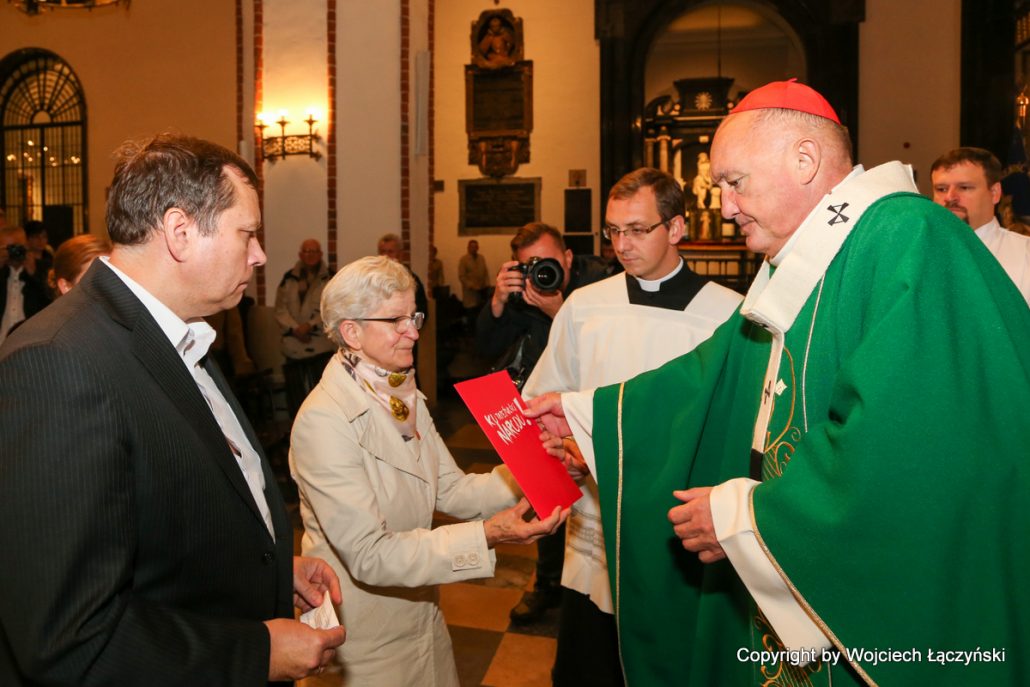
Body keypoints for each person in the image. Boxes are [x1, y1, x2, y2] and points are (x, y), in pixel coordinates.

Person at [526, 80, 1030, 685]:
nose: (726, 207)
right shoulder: (810, 257)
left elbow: (910, 448)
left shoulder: (908, 239)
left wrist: (749, 516)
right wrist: (586, 412)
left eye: (735, 182)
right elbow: (716, 372)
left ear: (805, 160)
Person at [0, 133, 347, 685]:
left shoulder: (178, 332)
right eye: (247, 233)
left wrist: (267, 572)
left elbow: (175, 518)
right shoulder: (58, 363)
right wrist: (255, 652)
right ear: (181, 231)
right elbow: (71, 637)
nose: (259, 254)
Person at [289, 255, 566, 686]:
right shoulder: (325, 420)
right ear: (351, 332)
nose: (414, 332)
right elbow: (370, 555)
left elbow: (450, 489)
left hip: (423, 616)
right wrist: (489, 534)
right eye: (396, 320)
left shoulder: (401, 394)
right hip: (363, 639)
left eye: (414, 316)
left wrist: (541, 468)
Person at [523, 168, 742, 686]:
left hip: (678, 523)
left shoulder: (729, 315)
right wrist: (566, 447)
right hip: (598, 519)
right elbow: (544, 401)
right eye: (613, 231)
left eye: (638, 230)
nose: (622, 245)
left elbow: (733, 425)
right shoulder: (584, 306)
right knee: (590, 664)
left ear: (677, 228)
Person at [476, 222, 607, 624]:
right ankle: (548, 585)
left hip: (585, 412)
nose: (541, 273)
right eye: (530, 266)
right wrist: (498, 301)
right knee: (548, 498)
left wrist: (559, 312)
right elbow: (486, 348)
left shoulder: (599, 289)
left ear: (567, 258)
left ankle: (594, 588)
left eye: (548, 263)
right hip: (536, 413)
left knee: (595, 508)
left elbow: (604, 352)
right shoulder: (521, 298)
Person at [930, 146, 1030, 304]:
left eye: (964, 187)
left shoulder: (1025, 254)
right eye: (941, 189)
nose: (949, 197)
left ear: (995, 192)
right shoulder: (917, 255)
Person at [275, 238, 335, 361]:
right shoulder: (289, 279)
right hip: (293, 346)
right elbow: (280, 310)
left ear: (320, 254)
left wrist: (310, 325)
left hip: (321, 346)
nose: (310, 255)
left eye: (314, 251)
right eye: (307, 251)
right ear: (300, 255)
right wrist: (295, 329)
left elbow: (333, 309)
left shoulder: (331, 279)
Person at [0, 225, 51, 345]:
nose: (12, 252)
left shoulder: (44, 268)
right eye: (8, 248)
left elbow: (51, 302)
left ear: (26, 245)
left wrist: (34, 274)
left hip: (31, 342)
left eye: (17, 247)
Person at [457, 238, 489, 321]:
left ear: (478, 248)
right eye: (472, 247)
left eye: (475, 247)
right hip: (470, 293)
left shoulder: (481, 258)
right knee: (471, 316)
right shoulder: (464, 260)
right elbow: (462, 276)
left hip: (481, 292)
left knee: (480, 316)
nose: (474, 248)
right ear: (468, 248)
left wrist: (486, 285)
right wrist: (472, 286)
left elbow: (485, 272)